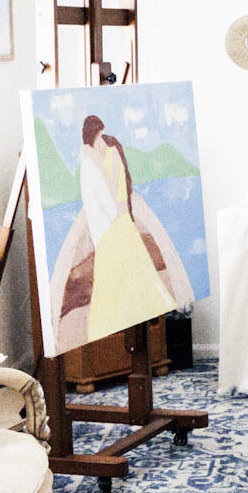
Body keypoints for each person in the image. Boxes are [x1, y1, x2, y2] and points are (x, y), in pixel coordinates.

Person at [76, 114, 177, 333]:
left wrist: (96, 160)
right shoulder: (93, 160)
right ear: (96, 135)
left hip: (117, 225)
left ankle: (121, 322)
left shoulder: (108, 155)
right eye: (100, 138)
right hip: (114, 226)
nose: (102, 143)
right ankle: (114, 324)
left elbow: (112, 192)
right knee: (118, 274)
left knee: (126, 273)